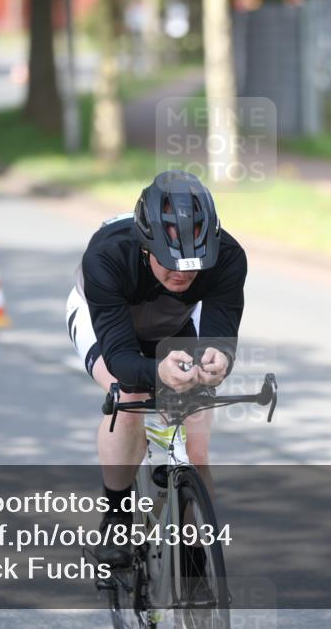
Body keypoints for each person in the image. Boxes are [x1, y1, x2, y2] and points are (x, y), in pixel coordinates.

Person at [66, 170, 247, 566]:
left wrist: (219, 360)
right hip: (108, 322)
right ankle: (116, 516)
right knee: (129, 394)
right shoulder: (106, 257)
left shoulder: (228, 256)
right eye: (169, 261)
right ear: (147, 247)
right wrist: (156, 374)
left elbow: (219, 333)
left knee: (195, 449)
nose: (181, 272)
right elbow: (123, 358)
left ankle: (197, 559)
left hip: (173, 321)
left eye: (193, 263)